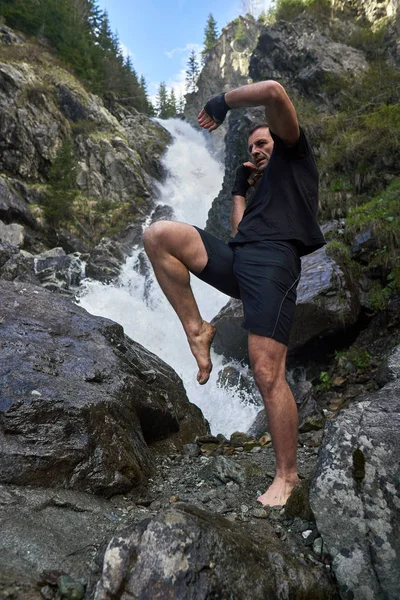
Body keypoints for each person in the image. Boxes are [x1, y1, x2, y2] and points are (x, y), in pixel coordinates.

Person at [143, 80, 325, 507]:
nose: (257, 150)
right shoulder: (262, 188)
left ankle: (287, 477)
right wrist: (241, 189)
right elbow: (240, 233)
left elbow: (275, 92)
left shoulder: (296, 155)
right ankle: (197, 329)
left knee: (265, 371)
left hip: (274, 263)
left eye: (263, 142)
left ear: (279, 140)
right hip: (241, 257)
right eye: (252, 147)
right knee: (159, 236)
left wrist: (221, 102)